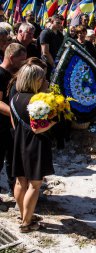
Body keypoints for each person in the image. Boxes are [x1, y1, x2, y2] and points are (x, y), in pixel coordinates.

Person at [10, 63, 55, 232]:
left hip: (19, 142)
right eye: (43, 78)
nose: (46, 80)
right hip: (35, 144)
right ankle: (27, 223)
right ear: (36, 80)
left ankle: (24, 214)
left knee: (20, 181)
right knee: (34, 185)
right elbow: (38, 128)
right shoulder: (36, 100)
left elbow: (14, 123)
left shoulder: (14, 97)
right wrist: (53, 121)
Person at [0, 43, 27, 198]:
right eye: (21, 60)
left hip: (11, 127)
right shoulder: (0, 74)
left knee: (12, 160)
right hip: (1, 125)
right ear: (11, 58)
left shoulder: (13, 74)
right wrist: (16, 112)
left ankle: (14, 191)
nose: (23, 63)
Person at [39, 14, 64, 79]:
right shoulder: (45, 33)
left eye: (61, 23)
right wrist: (54, 65)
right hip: (47, 65)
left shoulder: (60, 35)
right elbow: (45, 52)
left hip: (57, 63)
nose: (59, 25)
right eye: (57, 23)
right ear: (52, 22)